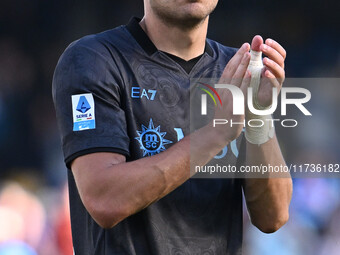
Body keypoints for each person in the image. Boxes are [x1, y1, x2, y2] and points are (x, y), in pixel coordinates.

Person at [52, 0, 292, 254]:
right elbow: (104, 199)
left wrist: (258, 116)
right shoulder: (94, 59)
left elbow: (273, 216)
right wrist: (217, 133)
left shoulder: (236, 69)